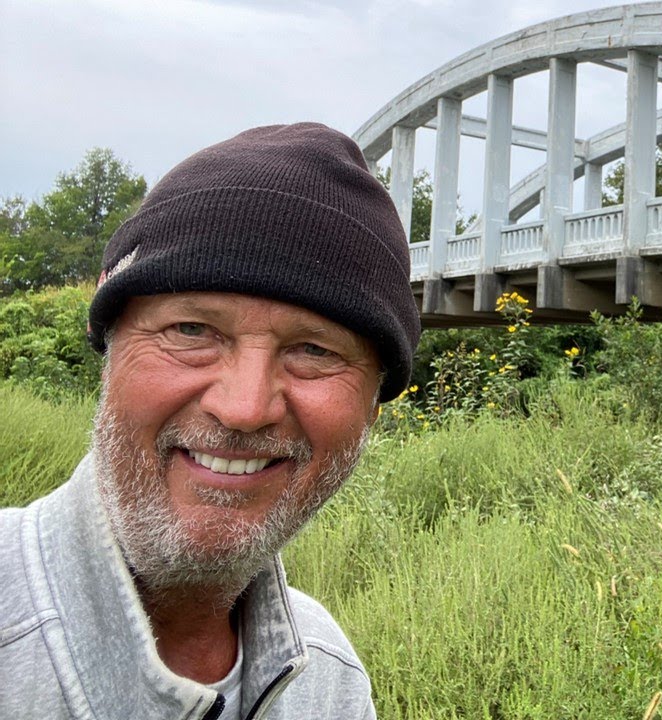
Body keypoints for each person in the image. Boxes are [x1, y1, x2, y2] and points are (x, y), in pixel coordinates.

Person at [0, 123, 421, 719]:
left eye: (315, 351)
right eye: (192, 331)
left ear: (372, 410)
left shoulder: (329, 682)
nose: (244, 407)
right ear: (109, 352)